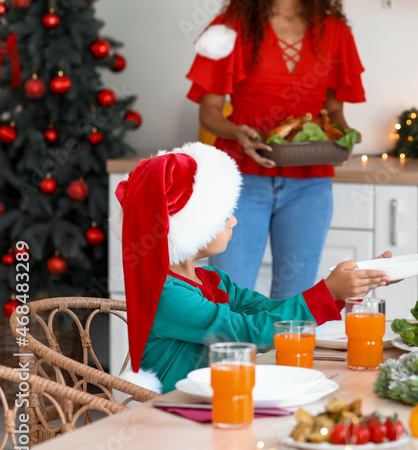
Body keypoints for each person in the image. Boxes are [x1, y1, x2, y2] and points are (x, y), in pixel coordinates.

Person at [186, 0, 365, 299]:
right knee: (230, 299)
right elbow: (210, 109)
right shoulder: (229, 28)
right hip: (239, 181)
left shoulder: (335, 32)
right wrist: (239, 132)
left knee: (296, 302)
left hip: (310, 184)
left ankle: (286, 366)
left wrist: (344, 137)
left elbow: (334, 110)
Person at [110, 142, 390, 393]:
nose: (233, 221)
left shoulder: (213, 279)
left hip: (219, 396)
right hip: (172, 410)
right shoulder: (166, 294)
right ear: (187, 230)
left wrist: (347, 285)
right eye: (221, 217)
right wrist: (328, 292)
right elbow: (246, 333)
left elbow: (268, 312)